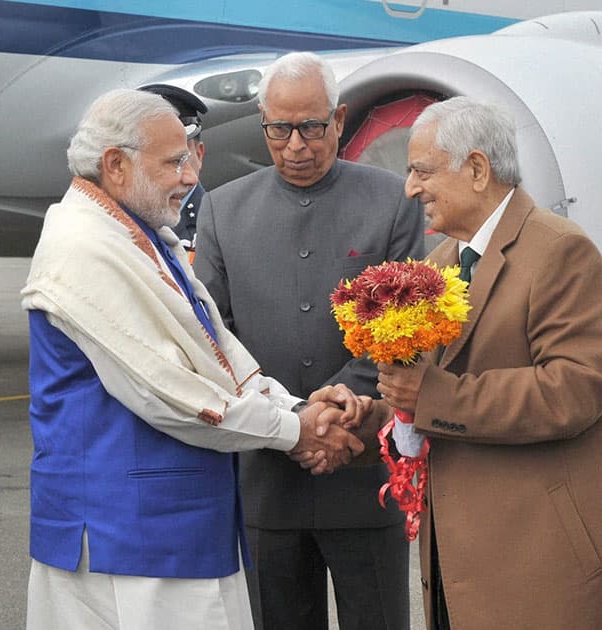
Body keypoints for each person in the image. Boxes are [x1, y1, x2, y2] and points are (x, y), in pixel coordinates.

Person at [21, 89, 368, 630]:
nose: (190, 177)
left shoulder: (141, 235)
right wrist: (295, 431)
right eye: (174, 162)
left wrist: (299, 405)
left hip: (174, 528)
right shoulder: (83, 247)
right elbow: (171, 394)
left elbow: (217, 355)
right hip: (127, 541)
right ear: (115, 164)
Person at [373, 96, 602, 630]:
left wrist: (428, 397)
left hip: (544, 565)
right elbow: (422, 395)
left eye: (421, 171)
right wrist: (369, 415)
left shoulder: (560, 251)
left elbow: (576, 390)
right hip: (462, 564)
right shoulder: (442, 262)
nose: (409, 188)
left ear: (477, 169)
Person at [194, 51, 424, 630]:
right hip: (268, 480)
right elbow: (212, 338)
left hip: (363, 470)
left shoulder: (393, 201)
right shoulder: (224, 210)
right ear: (263, 123)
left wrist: (335, 405)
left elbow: (407, 330)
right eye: (280, 129)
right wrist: (296, 418)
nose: (296, 145)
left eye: (313, 127)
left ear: (340, 120)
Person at [138, 83, 207, 252]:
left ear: (199, 155)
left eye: (179, 158)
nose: (173, 172)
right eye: (157, 156)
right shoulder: (115, 224)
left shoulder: (223, 224)